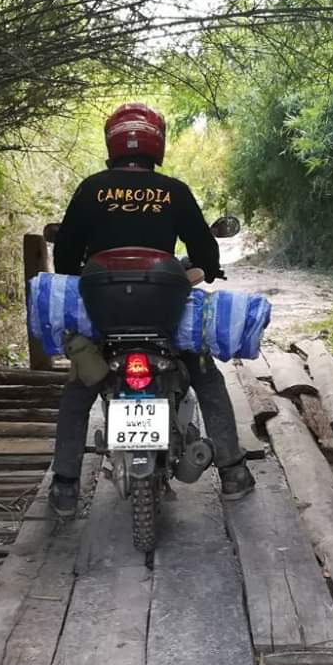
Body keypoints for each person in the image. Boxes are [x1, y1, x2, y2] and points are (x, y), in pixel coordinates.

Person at [47, 102, 256, 518]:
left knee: (78, 390)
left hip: (105, 316)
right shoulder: (173, 191)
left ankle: (65, 485)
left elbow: (66, 258)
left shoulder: (91, 189)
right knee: (205, 375)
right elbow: (205, 252)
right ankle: (233, 471)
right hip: (163, 313)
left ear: (112, 144)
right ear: (156, 145)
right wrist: (202, 270)